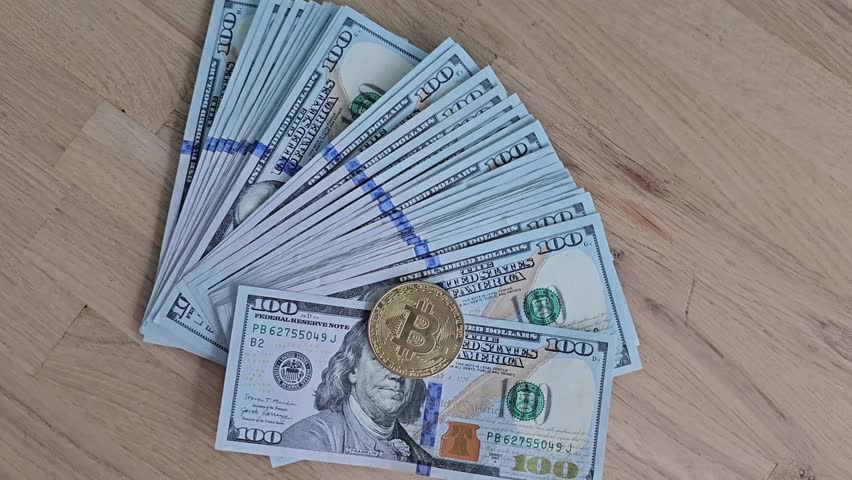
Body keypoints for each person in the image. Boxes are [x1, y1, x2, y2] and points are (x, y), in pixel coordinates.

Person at [280, 320, 432, 464]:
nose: (397, 375)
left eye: (408, 364)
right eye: (383, 361)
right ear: (352, 370)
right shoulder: (310, 438)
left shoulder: (423, 458)